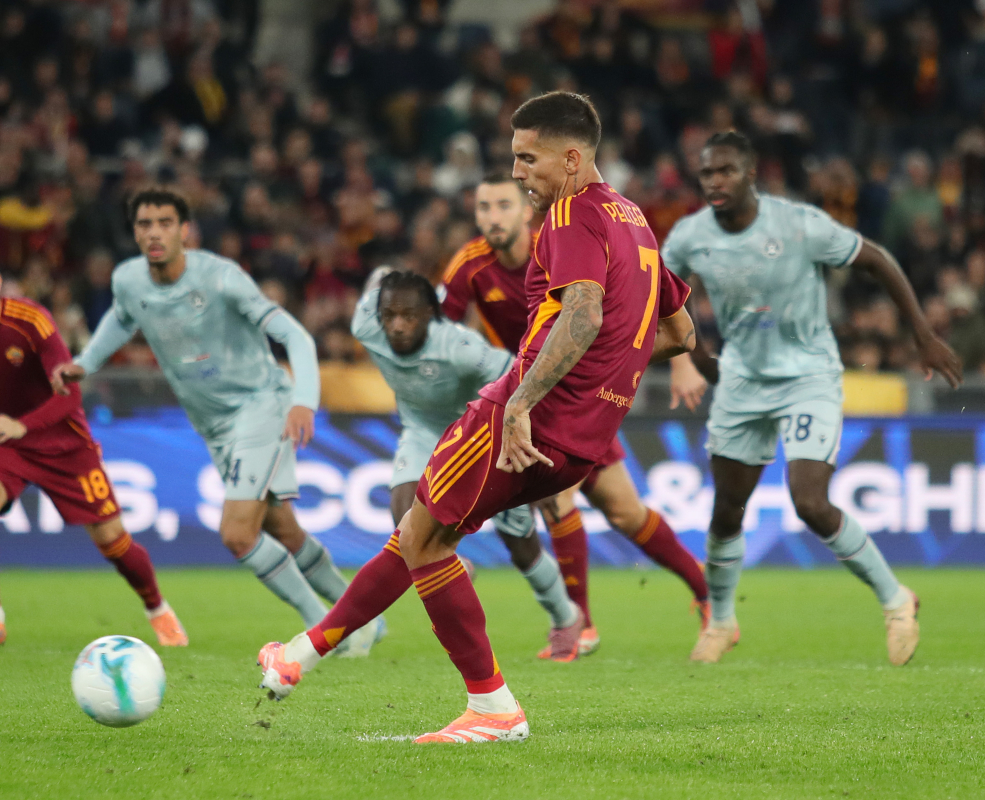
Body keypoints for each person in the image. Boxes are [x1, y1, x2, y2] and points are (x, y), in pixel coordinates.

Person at [256, 92, 695, 744]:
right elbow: (679, 331)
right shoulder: (636, 223)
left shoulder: (571, 212)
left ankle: (491, 706)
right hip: (585, 437)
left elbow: (583, 313)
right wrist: (607, 369)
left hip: (520, 414)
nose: (518, 174)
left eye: (527, 158)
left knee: (424, 539)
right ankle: (300, 655)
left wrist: (519, 402)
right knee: (420, 532)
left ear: (571, 159)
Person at [663, 131, 963, 666]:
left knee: (810, 502)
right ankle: (723, 620)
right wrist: (688, 357)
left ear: (751, 173)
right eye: (708, 173)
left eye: (727, 171)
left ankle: (897, 601)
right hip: (741, 381)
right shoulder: (690, 236)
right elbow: (659, 296)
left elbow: (876, 260)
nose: (716, 182)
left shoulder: (799, 225)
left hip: (808, 377)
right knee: (726, 510)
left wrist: (921, 334)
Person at [51, 189, 383, 656]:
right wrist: (85, 363)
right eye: (144, 224)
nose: (154, 232)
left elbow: (294, 334)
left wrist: (303, 400)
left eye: (165, 222)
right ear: (134, 232)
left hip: (262, 405)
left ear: (184, 230)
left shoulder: (222, 278)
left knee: (237, 533)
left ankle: (326, 630)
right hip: (213, 424)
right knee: (282, 529)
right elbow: (122, 320)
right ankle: (369, 616)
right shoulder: (128, 280)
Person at [441, 173, 711, 657]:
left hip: (580, 390)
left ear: (525, 210)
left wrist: (683, 361)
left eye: (502, 204)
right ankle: (581, 622)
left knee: (624, 514)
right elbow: (440, 338)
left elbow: (645, 302)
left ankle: (702, 591)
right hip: (529, 392)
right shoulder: (470, 265)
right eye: (483, 208)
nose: (492, 217)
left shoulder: (565, 240)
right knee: (567, 502)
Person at [0, 241, 187, 649]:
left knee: (113, 542)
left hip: (63, 441)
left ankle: (159, 610)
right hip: (4, 444)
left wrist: (23, 425)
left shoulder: (32, 322)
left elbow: (70, 396)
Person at [354, 266, 584, 660]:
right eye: (389, 316)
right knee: (403, 513)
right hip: (422, 431)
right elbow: (374, 284)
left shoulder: (460, 348)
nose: (396, 326)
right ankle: (455, 570)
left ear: (430, 313)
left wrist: (536, 457)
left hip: (476, 432)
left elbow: (520, 379)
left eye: (408, 316)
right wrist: (381, 275)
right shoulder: (365, 326)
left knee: (519, 542)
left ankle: (566, 616)